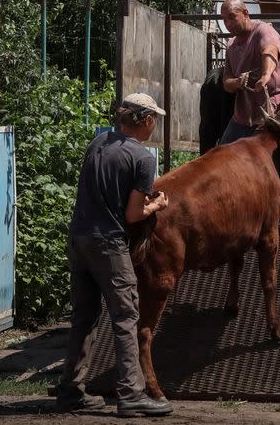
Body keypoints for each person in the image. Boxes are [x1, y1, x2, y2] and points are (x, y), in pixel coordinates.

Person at [55, 92, 173, 417]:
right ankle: (131, 394)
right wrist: (157, 205)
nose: (154, 126)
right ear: (146, 121)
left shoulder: (98, 143)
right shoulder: (143, 158)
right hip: (107, 243)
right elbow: (134, 214)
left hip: (78, 239)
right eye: (155, 121)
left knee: (84, 317)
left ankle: (71, 391)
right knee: (126, 316)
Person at [219, 0, 280, 144]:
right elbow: (226, 82)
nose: (228, 24)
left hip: (273, 111)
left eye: (232, 17)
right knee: (223, 154)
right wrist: (238, 82)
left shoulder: (263, 31)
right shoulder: (231, 45)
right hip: (243, 117)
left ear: (245, 13)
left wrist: (266, 75)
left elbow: (269, 51)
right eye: (225, 20)